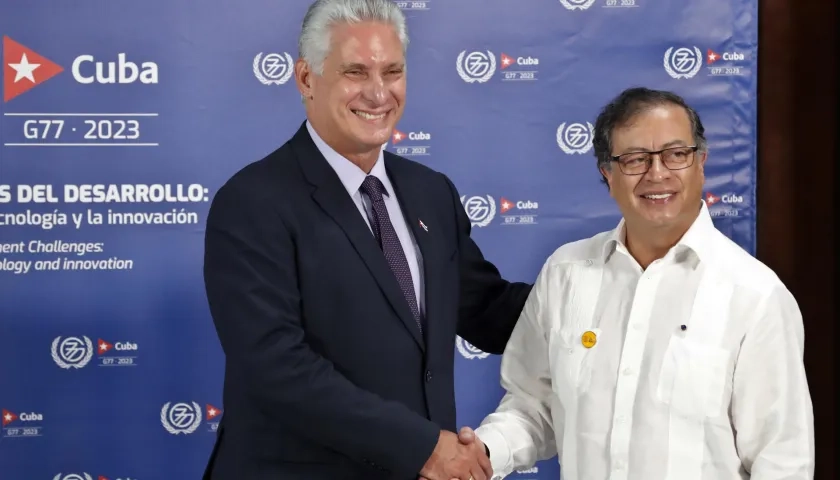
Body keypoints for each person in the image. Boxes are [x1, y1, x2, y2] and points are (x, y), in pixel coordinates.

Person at [201, 1, 531, 479]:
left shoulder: (429, 191)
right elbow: (277, 368)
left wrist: (600, 291)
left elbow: (485, 310)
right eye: (356, 72)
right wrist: (423, 447)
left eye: (392, 71)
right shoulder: (253, 201)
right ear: (306, 79)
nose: (378, 93)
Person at [459, 87, 815, 479]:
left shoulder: (756, 296)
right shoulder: (566, 273)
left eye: (676, 154)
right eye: (635, 159)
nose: (657, 173)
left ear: (701, 163)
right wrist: (485, 453)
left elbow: (783, 463)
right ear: (607, 174)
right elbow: (533, 407)